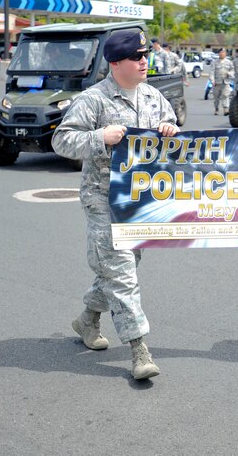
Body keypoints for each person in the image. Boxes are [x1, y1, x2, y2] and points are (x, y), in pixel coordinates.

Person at [51, 30, 179, 380]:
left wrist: (171, 130)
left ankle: (87, 320)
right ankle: (139, 351)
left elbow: (174, 135)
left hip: (139, 202)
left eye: (145, 56)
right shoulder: (92, 100)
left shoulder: (154, 97)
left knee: (121, 267)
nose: (144, 62)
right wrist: (98, 137)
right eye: (137, 57)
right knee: (122, 274)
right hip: (102, 199)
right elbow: (61, 140)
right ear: (115, 63)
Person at [211, 48, 234, 115]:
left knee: (225, 95)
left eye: (223, 52)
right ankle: (216, 109)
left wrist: (230, 73)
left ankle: (226, 109)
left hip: (225, 82)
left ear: (225, 53)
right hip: (217, 82)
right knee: (216, 97)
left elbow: (232, 70)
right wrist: (212, 80)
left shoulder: (229, 62)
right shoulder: (214, 62)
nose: (222, 53)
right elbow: (212, 72)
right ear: (218, 53)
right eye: (220, 52)